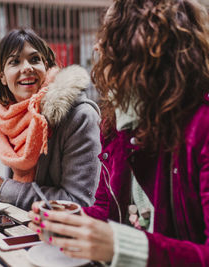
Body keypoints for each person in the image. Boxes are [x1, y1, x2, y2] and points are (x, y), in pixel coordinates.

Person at [28, 0, 209, 266]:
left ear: (145, 49)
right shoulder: (118, 124)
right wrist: (72, 222)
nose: (97, 48)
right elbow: (107, 210)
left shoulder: (201, 128)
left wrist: (121, 245)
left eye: (110, 38)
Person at [0, 28, 101, 211]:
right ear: (2, 77)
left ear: (46, 67)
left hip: (67, 235)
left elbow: (78, 202)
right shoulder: (9, 120)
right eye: (14, 62)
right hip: (28, 226)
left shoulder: (79, 118)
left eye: (34, 59)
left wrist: (4, 188)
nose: (26, 68)